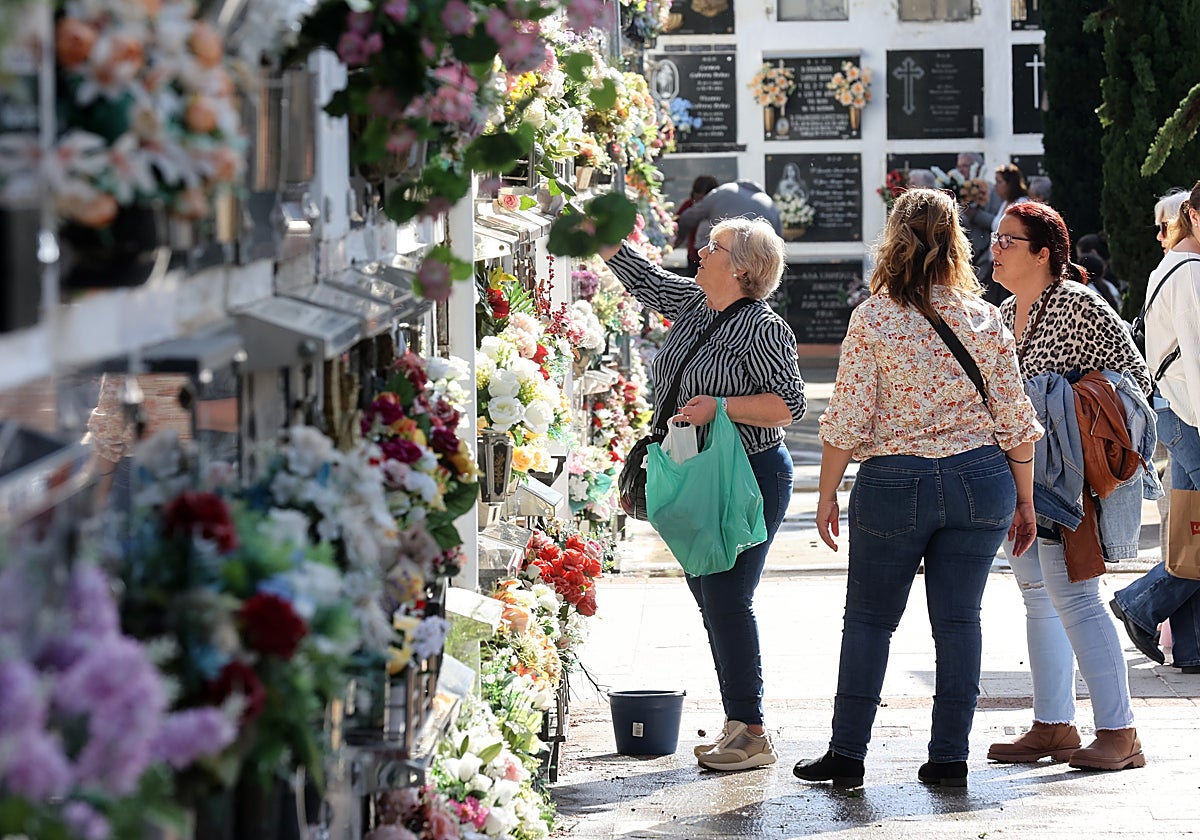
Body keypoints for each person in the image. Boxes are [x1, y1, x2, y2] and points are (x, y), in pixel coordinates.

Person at [791, 189, 1042, 789]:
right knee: (959, 622)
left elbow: (847, 418)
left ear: (894, 241)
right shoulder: (985, 317)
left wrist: (826, 494)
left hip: (894, 482)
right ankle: (949, 758)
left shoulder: (873, 318)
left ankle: (848, 754)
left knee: (869, 621)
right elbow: (1015, 419)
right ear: (956, 243)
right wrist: (1026, 499)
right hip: (980, 479)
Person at [598, 217, 806, 772]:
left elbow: (789, 405)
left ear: (741, 268)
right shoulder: (696, 303)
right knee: (709, 594)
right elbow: (645, 279)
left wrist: (721, 406)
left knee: (727, 597)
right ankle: (738, 722)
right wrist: (598, 234)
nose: (700, 252)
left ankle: (752, 732)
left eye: (713, 247)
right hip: (698, 473)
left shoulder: (763, 328)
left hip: (748, 476)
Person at [985, 201, 1153, 772]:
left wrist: (1066, 404)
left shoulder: (1078, 304)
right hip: (1022, 479)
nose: (995, 248)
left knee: (1077, 598)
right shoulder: (1005, 313)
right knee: (1038, 598)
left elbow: (1134, 386)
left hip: (1067, 480)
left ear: (1043, 254)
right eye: (995, 237)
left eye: (1008, 240)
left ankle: (1121, 732)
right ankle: (1053, 724)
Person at [1111, 180, 1200, 677]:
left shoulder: (1172, 267)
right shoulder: (1189, 270)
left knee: (1192, 526)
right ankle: (1141, 603)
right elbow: (1198, 353)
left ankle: (1191, 646)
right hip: (1190, 411)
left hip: (1177, 409)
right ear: (1193, 216)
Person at [675, 180, 783, 261]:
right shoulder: (769, 204)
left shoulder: (724, 191)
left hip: (720, 257)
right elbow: (778, 245)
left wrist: (678, 237)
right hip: (755, 262)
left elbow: (689, 217)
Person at [973, 164, 1030, 306]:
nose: (996, 186)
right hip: (996, 261)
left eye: (999, 182)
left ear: (1010, 184)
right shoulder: (1005, 203)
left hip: (1010, 264)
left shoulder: (1021, 204)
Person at [957, 152, 1002, 268]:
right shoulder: (956, 190)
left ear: (978, 168)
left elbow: (999, 222)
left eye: (965, 166)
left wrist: (976, 215)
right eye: (959, 166)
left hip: (986, 256)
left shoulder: (993, 191)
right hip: (963, 257)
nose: (961, 170)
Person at [675, 174, 718, 276]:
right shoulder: (689, 205)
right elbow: (677, 223)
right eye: (697, 199)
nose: (700, 204)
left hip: (714, 255)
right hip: (694, 255)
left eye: (703, 200)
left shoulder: (718, 207)